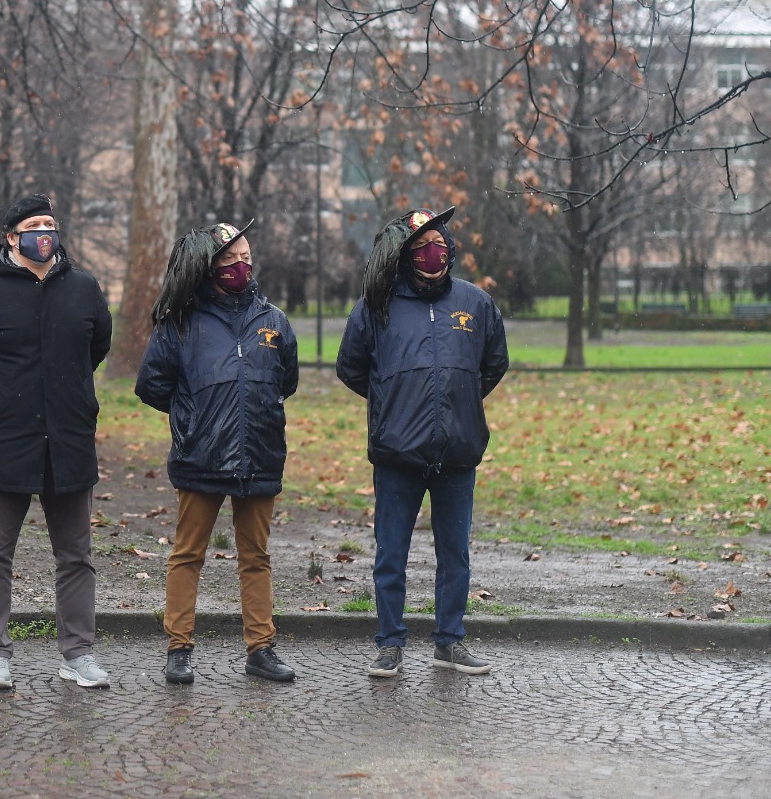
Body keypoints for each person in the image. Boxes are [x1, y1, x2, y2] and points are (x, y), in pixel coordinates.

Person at [0, 193, 113, 691]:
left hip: (69, 441)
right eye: (34, 226)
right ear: (11, 237)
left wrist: (64, 391)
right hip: (5, 441)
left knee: (76, 555)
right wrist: (1, 394)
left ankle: (78, 653)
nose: (44, 234)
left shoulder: (84, 289)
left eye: (50, 225)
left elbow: (97, 345)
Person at [336, 207, 508, 676]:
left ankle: (449, 641)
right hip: (397, 454)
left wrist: (459, 401)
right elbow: (351, 367)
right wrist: (392, 402)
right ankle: (389, 643)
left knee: (455, 554)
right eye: (420, 246)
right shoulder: (377, 306)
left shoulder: (476, 303)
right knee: (391, 555)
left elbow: (494, 363)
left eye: (438, 243)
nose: (432, 253)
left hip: (457, 451)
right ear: (405, 255)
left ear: (450, 249)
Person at [135, 220, 299, 684]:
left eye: (245, 256)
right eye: (229, 258)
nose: (240, 264)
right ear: (208, 266)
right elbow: (152, 384)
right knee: (188, 554)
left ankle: (261, 649)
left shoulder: (274, 321)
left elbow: (286, 380)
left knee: (256, 556)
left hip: (260, 454)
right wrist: (194, 417)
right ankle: (178, 648)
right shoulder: (180, 322)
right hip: (201, 456)